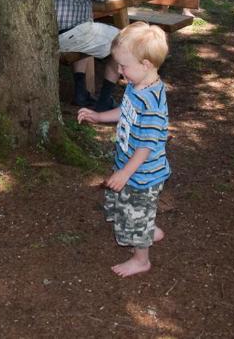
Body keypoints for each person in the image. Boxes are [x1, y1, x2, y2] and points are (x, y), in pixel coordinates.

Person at [77, 22, 170, 278]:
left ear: (146, 64)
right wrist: (99, 116)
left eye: (124, 65)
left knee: (135, 216)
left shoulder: (152, 104)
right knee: (131, 208)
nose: (119, 70)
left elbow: (146, 147)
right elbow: (124, 111)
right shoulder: (135, 85)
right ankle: (149, 228)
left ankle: (141, 259)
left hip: (142, 174)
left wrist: (125, 174)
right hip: (129, 166)